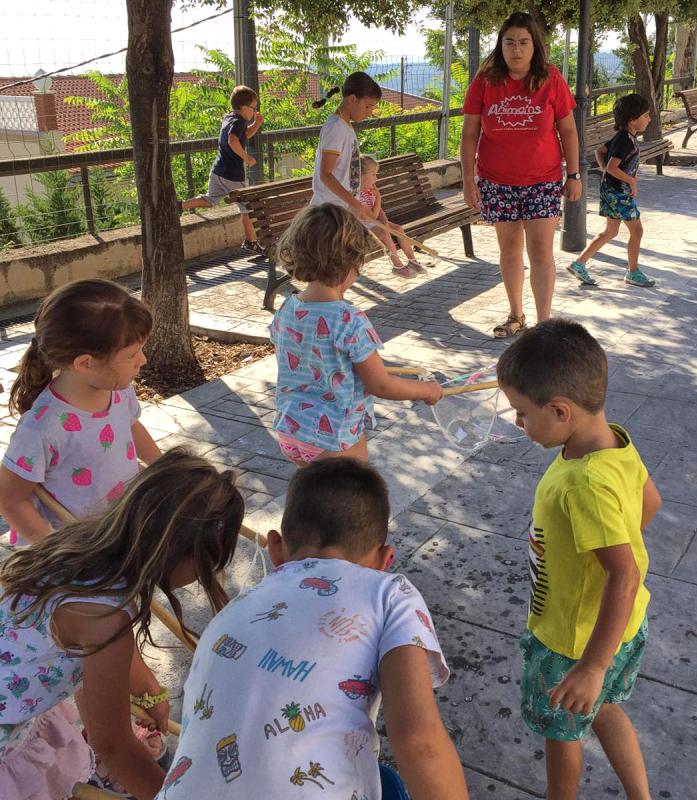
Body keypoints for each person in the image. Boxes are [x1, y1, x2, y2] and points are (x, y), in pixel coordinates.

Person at [153, 457, 469, 800]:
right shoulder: (390, 593)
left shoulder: (237, 608)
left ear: (275, 547)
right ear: (384, 560)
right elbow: (420, 743)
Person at [0, 448, 245, 800]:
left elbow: (79, 659)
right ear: (186, 555)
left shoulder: (78, 549)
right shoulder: (104, 617)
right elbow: (112, 745)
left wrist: (148, 690)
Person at [496, 319, 662, 800]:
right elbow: (651, 501)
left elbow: (624, 573)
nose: (518, 422)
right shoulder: (613, 441)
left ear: (561, 410)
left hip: (573, 642)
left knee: (563, 730)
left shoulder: (584, 482)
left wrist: (591, 665)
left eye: (522, 413)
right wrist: (609, 545)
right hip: (620, 630)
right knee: (605, 707)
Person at [269, 204, 442, 466]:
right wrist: (425, 390)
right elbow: (381, 385)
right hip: (335, 441)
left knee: (316, 498)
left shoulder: (287, 307)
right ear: (355, 261)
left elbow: (309, 358)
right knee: (348, 501)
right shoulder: (348, 319)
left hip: (291, 432)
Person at [0, 278, 161, 545]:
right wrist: (53, 550)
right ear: (86, 363)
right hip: (72, 558)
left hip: (112, 533)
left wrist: (165, 469)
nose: (142, 360)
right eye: (132, 355)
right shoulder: (43, 428)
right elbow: (9, 498)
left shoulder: (119, 392)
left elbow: (132, 427)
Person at [461, 11, 582, 337]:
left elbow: (568, 130)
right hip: (496, 181)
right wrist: (468, 180)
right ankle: (516, 315)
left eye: (523, 42)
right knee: (509, 249)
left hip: (542, 180)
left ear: (535, 45)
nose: (516, 49)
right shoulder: (485, 80)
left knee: (541, 251)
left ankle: (544, 324)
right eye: (510, 42)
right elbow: (469, 133)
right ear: (501, 45)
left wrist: (574, 175)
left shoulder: (550, 78)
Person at [567, 94, 656, 289]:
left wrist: (605, 170)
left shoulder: (624, 136)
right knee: (637, 230)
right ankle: (633, 272)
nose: (649, 119)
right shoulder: (625, 140)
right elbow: (613, 167)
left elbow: (600, 152)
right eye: (646, 115)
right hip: (619, 193)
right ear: (633, 119)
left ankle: (579, 264)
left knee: (610, 231)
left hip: (611, 190)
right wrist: (631, 181)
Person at [182, 85, 265, 255]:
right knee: (247, 207)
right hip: (233, 176)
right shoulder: (240, 121)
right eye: (253, 108)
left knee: (210, 199)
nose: (254, 111)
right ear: (244, 108)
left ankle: (179, 205)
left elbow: (243, 136)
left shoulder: (229, 118)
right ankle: (251, 242)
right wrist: (247, 158)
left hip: (218, 170)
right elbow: (233, 140)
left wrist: (256, 124)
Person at [310, 71, 381, 217]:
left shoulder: (345, 126)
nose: (369, 112)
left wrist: (354, 204)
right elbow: (325, 174)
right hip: (329, 213)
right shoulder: (336, 127)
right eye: (368, 106)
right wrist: (356, 204)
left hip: (342, 210)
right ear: (352, 99)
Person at [357, 155, 424, 279]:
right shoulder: (358, 195)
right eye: (373, 175)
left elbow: (379, 212)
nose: (376, 178)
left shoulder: (370, 190)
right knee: (384, 233)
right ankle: (397, 266)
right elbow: (372, 216)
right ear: (361, 176)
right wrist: (378, 198)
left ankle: (412, 261)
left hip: (374, 221)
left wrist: (385, 222)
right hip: (362, 225)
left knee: (398, 229)